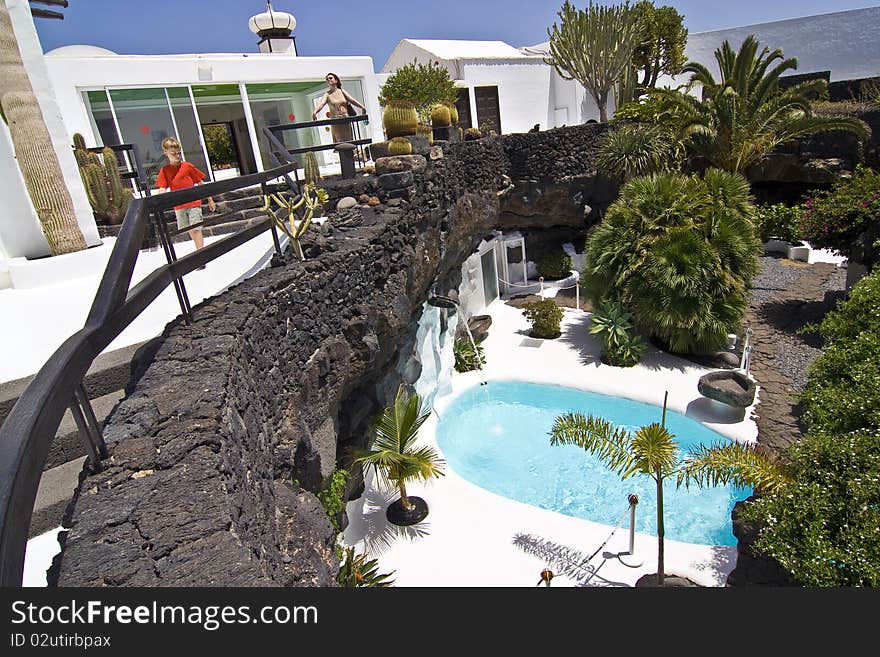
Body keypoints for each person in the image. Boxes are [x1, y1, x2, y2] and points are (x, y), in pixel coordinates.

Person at [155, 137, 215, 267]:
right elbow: (162, 188)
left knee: (196, 228)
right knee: (189, 229)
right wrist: (158, 203)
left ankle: (200, 256)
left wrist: (210, 200)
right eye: (173, 153)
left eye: (178, 152)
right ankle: (198, 250)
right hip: (179, 206)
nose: (177, 156)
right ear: (166, 152)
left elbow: (200, 182)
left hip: (193, 203)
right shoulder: (165, 170)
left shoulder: (187, 166)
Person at [311, 72, 367, 144]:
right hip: (336, 122)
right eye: (327, 79)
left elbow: (352, 100)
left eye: (330, 78)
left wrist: (362, 107)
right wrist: (315, 112)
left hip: (346, 120)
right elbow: (321, 104)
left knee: (349, 142)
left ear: (336, 80)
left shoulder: (341, 91)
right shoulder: (327, 94)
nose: (329, 80)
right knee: (340, 144)